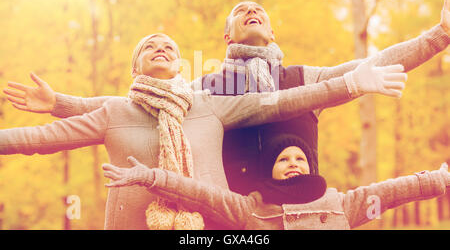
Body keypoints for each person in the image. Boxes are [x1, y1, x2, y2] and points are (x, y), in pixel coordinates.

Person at [4, 0, 450, 195]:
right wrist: (62, 103)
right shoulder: (204, 89)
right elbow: (134, 108)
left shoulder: (302, 77)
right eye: (241, 12)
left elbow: (372, 65)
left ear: (273, 32)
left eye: (259, 11)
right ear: (226, 35)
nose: (251, 12)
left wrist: (440, 35)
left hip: (294, 204)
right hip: (228, 214)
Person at [0, 33, 406, 230]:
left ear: (180, 68)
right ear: (135, 68)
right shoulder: (114, 111)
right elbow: (37, 140)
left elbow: (285, 100)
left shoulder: (210, 104)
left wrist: (354, 83)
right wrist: (56, 104)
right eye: (149, 46)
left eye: (170, 47)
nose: (160, 47)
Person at [102, 133, 450, 230]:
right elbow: (198, 194)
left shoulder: (341, 205)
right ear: (269, 170)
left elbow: (389, 193)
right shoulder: (249, 209)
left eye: (299, 158)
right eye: (283, 160)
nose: (293, 164)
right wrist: (150, 176)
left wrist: (438, 179)